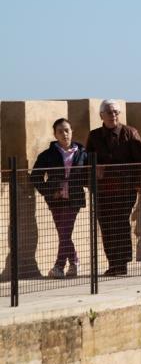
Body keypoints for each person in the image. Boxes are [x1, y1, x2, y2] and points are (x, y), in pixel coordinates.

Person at [86, 99, 141, 276]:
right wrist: (95, 170)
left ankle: (122, 263)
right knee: (105, 225)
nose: (113, 115)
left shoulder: (130, 133)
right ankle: (113, 262)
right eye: (109, 112)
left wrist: (139, 186)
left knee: (120, 224)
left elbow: (140, 162)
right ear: (101, 115)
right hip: (103, 189)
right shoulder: (94, 136)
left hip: (125, 188)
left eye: (116, 112)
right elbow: (87, 160)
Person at [31, 118, 89, 279]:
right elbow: (35, 177)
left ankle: (58, 266)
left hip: (74, 199)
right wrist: (50, 192)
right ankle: (75, 261)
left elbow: (88, 175)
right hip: (56, 200)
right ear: (55, 134)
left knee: (65, 232)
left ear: (72, 132)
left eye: (67, 130)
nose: (64, 134)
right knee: (64, 234)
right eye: (60, 131)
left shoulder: (82, 153)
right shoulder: (47, 155)